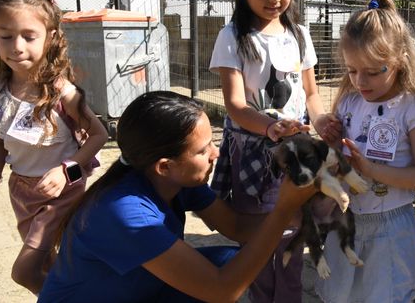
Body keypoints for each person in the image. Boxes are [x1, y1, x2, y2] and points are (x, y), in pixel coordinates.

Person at [38, 91, 317, 302]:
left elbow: (237, 227)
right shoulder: (125, 213)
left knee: (231, 259)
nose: (215, 153)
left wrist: (301, 209)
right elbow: (222, 290)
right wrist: (281, 211)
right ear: (164, 166)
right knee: (225, 274)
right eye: (203, 149)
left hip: (136, 291)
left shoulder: (177, 181)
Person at [208, 0, 339, 301]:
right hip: (255, 155)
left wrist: (321, 120)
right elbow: (235, 104)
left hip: (297, 153)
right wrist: (270, 127)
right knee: (261, 239)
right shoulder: (233, 35)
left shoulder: (298, 33)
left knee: (293, 237)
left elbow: (310, 93)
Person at [0, 0, 108, 295]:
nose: (17, 46)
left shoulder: (62, 92)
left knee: (24, 271)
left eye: (28, 36)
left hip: (61, 194)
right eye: (5, 36)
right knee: (50, 264)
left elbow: (99, 135)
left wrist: (68, 172)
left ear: (50, 37)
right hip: (21, 193)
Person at [315, 0, 415, 303]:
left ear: (399, 61)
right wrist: (328, 142)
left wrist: (371, 170)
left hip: (391, 226)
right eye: (352, 70)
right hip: (346, 220)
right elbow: (335, 158)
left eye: (372, 72)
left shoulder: (413, 109)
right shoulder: (350, 102)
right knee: (343, 295)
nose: (360, 81)